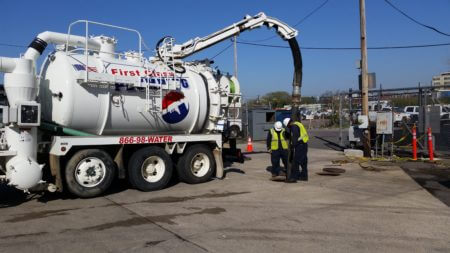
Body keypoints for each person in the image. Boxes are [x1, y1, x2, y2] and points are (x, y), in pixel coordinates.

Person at [283, 117, 309, 182]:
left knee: (296, 162)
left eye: (287, 126)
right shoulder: (298, 123)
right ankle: (304, 176)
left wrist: (292, 146)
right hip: (304, 144)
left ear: (288, 124)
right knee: (303, 162)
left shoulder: (294, 127)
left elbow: (295, 138)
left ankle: (294, 177)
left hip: (300, 146)